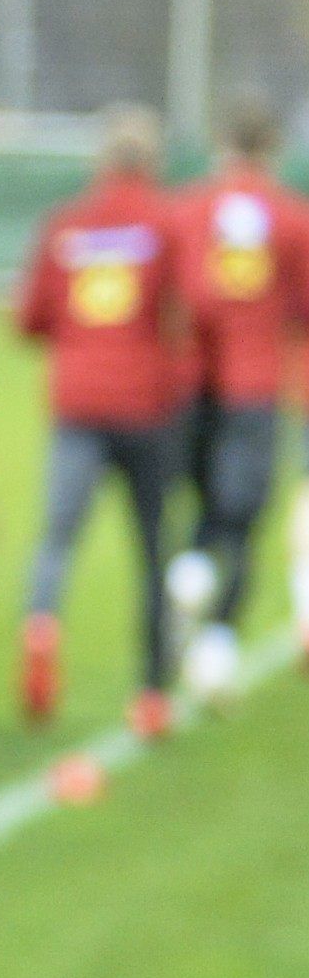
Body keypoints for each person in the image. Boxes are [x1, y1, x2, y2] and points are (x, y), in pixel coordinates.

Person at [12, 107, 182, 733]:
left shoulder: (66, 224)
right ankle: (153, 693)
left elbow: (29, 319)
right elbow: (184, 310)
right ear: (152, 160)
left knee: (57, 538)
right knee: (152, 546)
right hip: (146, 405)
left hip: (78, 402)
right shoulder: (166, 223)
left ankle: (41, 628)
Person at [165, 91, 309, 705]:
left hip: (193, 378)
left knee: (203, 501)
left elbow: (170, 291)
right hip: (254, 382)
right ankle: (216, 643)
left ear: (222, 145)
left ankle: (191, 574)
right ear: (273, 149)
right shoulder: (291, 217)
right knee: (245, 514)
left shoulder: (188, 210)